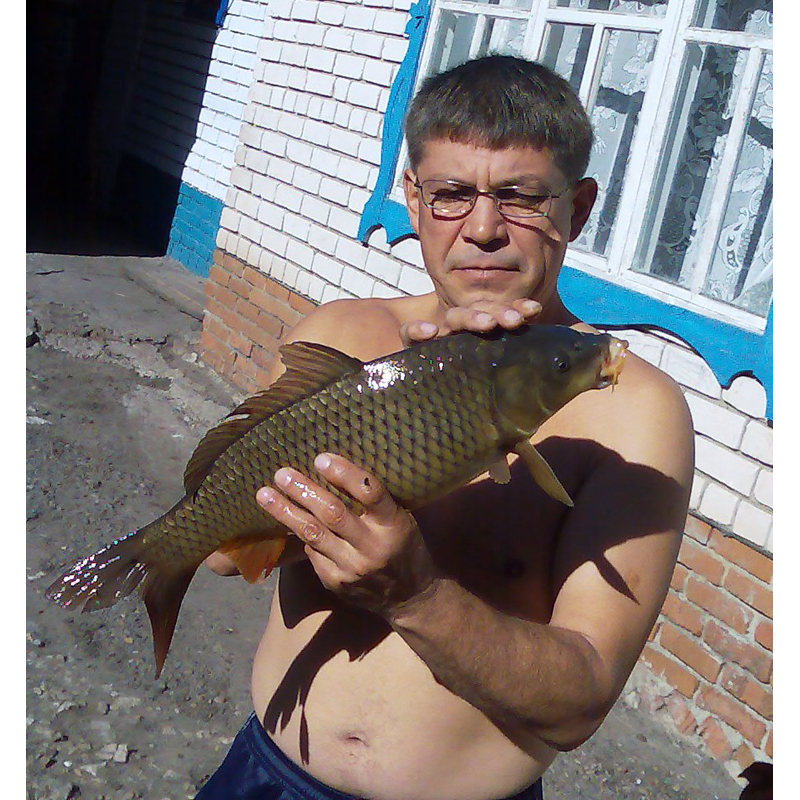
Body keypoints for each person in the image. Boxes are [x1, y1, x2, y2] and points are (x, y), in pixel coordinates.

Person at [196, 55, 694, 800]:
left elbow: (581, 702)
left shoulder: (635, 411)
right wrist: (387, 436)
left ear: (578, 208)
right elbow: (221, 555)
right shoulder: (340, 337)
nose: (484, 229)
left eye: (522, 197)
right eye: (452, 194)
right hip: (269, 775)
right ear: (412, 198)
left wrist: (416, 594)